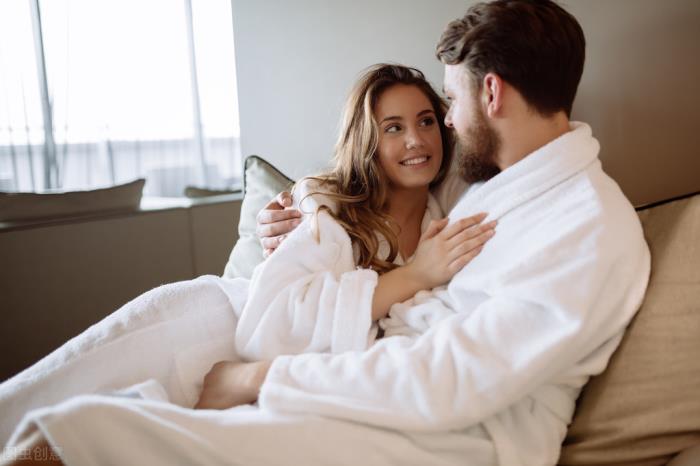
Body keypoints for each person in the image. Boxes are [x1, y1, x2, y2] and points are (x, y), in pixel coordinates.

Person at [1, 1, 650, 465]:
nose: (444, 126)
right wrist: (290, 223)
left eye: (447, 105)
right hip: (372, 376)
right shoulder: (504, 186)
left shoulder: (586, 229)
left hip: (453, 436)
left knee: (101, 433)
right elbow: (379, 203)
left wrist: (261, 379)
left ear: (492, 93)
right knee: (100, 408)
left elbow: (448, 380)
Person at [197, 63, 497, 406]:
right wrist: (416, 274)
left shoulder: (449, 208)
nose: (416, 140)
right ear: (367, 140)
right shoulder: (322, 203)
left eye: (426, 121)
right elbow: (276, 325)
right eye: (394, 128)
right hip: (241, 346)